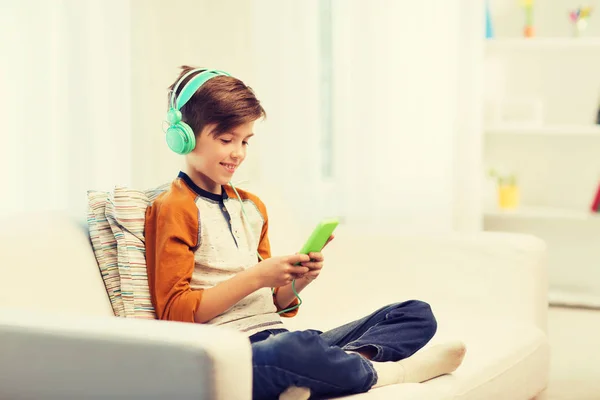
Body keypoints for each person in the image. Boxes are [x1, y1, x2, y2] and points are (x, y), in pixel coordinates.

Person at [144, 66, 466, 400]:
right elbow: (175, 313)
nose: (238, 153)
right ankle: (385, 373)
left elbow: (274, 304)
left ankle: (334, 370)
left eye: (245, 141)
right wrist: (258, 276)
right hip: (235, 356)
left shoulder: (251, 207)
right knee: (297, 348)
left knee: (414, 313)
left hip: (275, 336)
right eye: (226, 140)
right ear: (184, 135)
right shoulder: (173, 207)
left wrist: (296, 280)